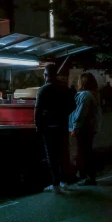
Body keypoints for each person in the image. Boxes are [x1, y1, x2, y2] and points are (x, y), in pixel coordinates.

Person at [35, 63, 75, 194]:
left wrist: (38, 126)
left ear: (46, 75)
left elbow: (37, 110)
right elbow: (73, 106)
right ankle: (65, 182)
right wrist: (63, 114)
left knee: (51, 156)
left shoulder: (43, 90)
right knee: (63, 154)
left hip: (49, 128)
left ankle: (56, 184)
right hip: (62, 126)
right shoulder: (64, 89)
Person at [69, 72, 101, 186]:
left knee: (84, 153)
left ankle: (88, 177)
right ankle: (88, 176)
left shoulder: (85, 95)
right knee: (86, 152)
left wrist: (75, 128)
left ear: (82, 82)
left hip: (84, 129)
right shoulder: (90, 94)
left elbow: (81, 113)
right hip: (88, 128)